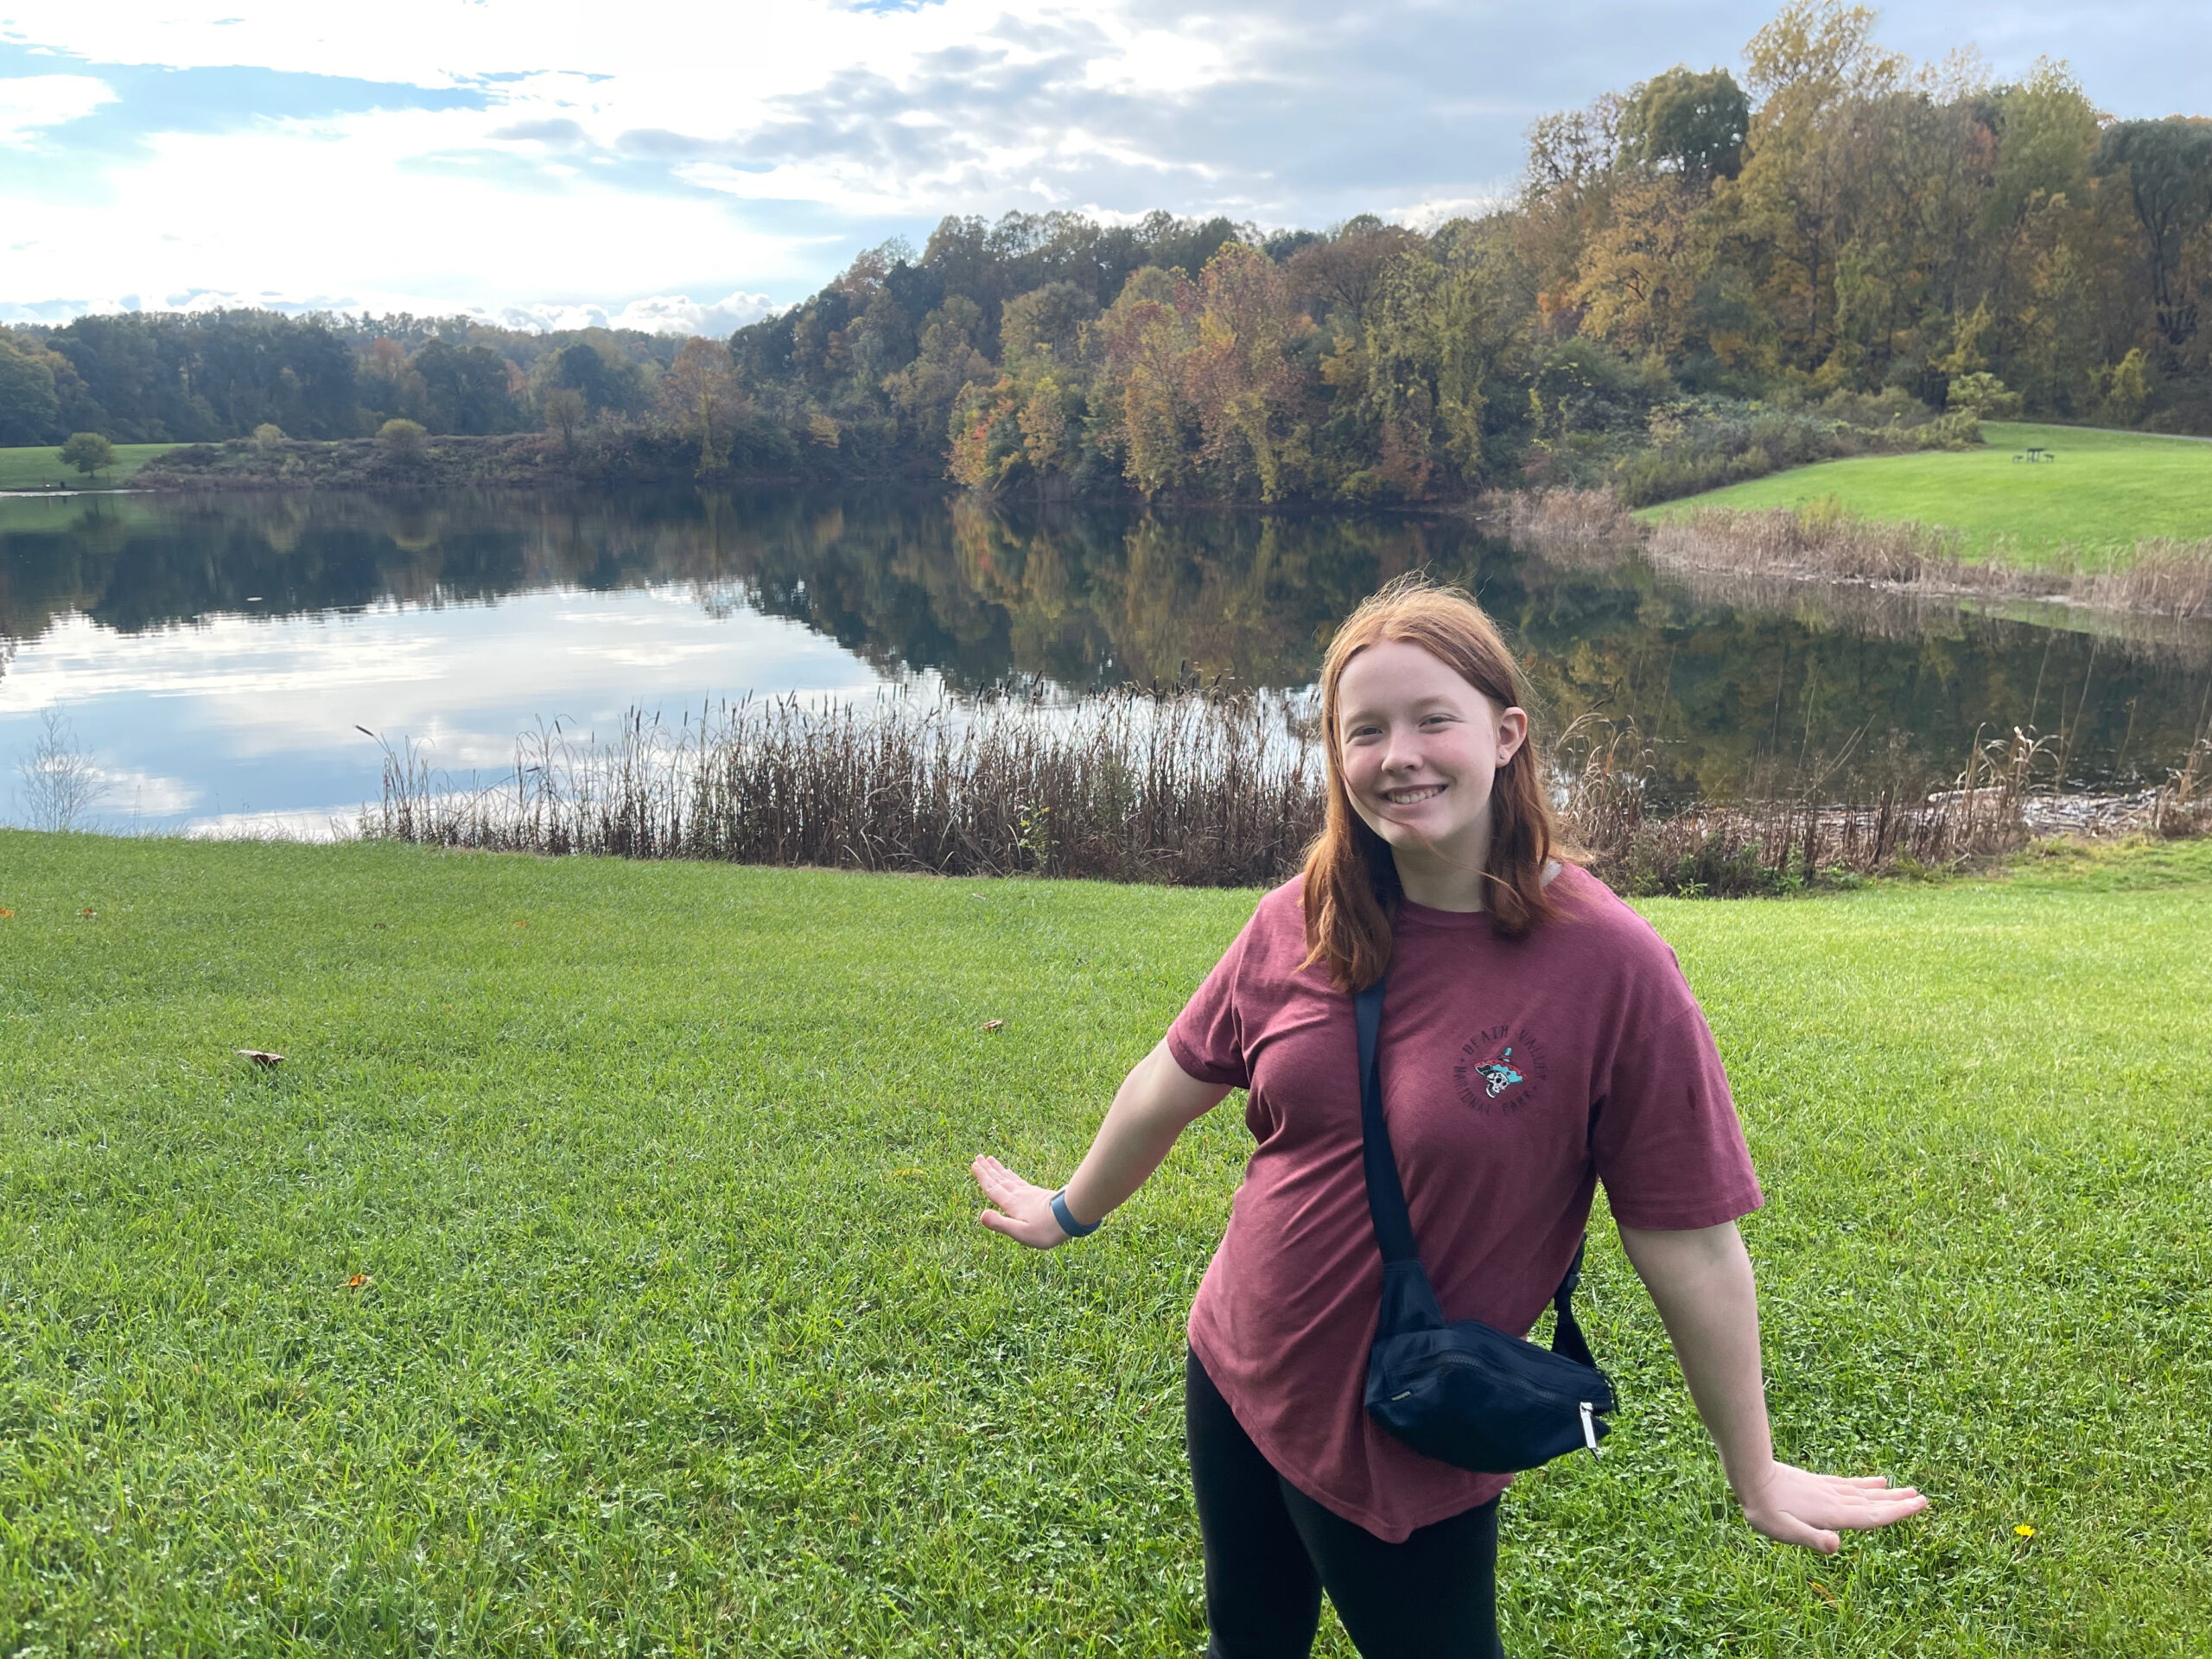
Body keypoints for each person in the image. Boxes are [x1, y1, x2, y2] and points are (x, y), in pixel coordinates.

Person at [969, 576, 1927, 1657]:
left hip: (1407, 1426)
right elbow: (1171, 1077)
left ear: (1505, 733)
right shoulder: (1301, 916)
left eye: (1434, 719)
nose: (1399, 755)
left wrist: (1750, 1466)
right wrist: (1069, 1210)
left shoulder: (1609, 965)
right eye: (1363, 730)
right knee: (1247, 1638)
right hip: (1237, 1363)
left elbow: (1689, 1235)